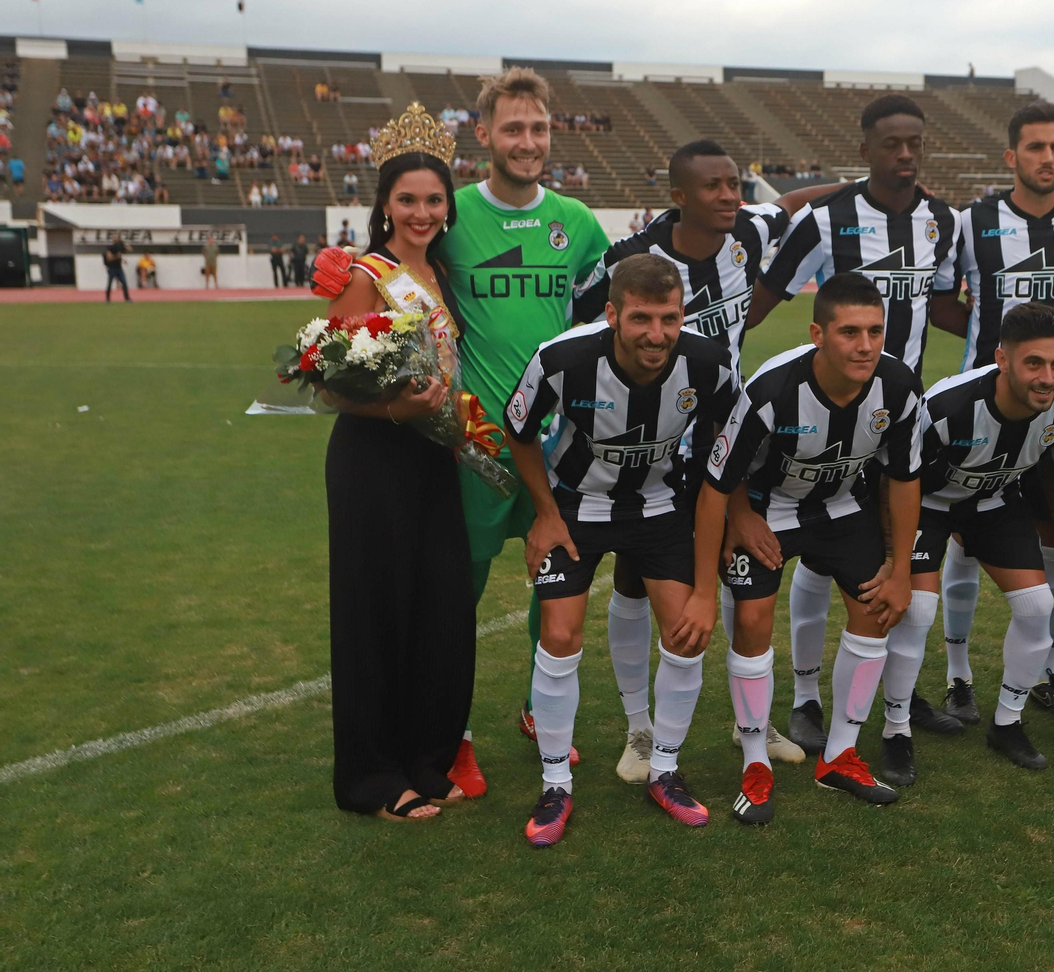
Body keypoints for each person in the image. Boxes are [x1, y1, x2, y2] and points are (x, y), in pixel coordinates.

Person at [313, 76, 611, 794]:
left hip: (556, 442)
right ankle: (456, 736)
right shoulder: (455, 217)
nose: (529, 142)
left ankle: (542, 715)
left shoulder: (580, 223)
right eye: (514, 129)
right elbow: (384, 281)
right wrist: (339, 272)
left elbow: (601, 323)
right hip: (470, 445)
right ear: (485, 135)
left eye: (539, 128)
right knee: (454, 595)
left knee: (557, 579)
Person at [571, 138, 804, 780]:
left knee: (739, 570)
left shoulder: (747, 234)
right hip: (650, 444)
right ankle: (639, 731)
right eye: (714, 187)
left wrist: (862, 183)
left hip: (728, 432)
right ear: (678, 196)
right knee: (633, 577)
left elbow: (788, 205)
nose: (730, 195)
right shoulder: (630, 259)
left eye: (734, 184)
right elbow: (577, 328)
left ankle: (749, 720)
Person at [747, 94, 966, 751]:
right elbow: (761, 302)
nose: (905, 156)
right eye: (891, 144)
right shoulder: (825, 220)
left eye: (914, 145)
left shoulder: (942, 221)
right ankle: (809, 698)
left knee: (879, 566)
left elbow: (949, 307)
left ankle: (896, 694)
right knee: (820, 560)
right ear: (866, 149)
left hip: (897, 418)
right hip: (825, 413)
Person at [504, 255, 740, 847]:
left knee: (686, 633)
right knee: (559, 635)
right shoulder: (562, 359)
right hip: (576, 508)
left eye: (669, 317)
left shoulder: (709, 362)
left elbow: (725, 447)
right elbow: (519, 430)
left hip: (660, 507)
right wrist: (545, 514)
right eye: (640, 318)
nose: (656, 334)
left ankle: (663, 769)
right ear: (612, 314)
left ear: (683, 313)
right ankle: (555, 784)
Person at [685, 273, 923, 820]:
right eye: (849, 332)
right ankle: (755, 761)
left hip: (842, 505)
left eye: (875, 331)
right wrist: (716, 563)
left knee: (875, 609)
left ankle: (839, 756)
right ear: (818, 334)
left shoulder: (900, 388)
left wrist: (901, 568)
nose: (865, 346)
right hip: (769, 510)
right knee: (752, 621)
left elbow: (906, 480)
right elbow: (717, 485)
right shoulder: (772, 390)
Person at [319, 113, 475, 821]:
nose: (422, 212)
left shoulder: (435, 271)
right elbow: (328, 386)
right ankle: (373, 778)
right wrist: (395, 414)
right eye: (408, 200)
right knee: (376, 615)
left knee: (437, 611)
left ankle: (423, 757)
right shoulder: (366, 277)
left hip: (432, 460)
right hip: (374, 461)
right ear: (385, 203)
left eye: (434, 200)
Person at [889, 303, 1054, 784]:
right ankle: (896, 729)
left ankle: (1007, 723)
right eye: (1033, 363)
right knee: (918, 610)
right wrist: (895, 557)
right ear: (1002, 360)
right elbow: (898, 478)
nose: (1048, 377)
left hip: (993, 499)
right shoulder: (948, 408)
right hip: (926, 503)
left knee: (1034, 607)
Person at [939, 99, 1054, 723]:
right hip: (982, 405)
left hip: (1052, 409)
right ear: (1012, 156)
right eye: (1036, 148)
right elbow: (942, 301)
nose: (1048, 158)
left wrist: (1046, 358)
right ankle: (958, 676)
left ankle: (1052, 673)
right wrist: (995, 352)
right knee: (962, 542)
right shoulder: (973, 219)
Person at [104, 237, 131, 302]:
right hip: (112, 268)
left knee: (124, 283)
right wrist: (116, 256)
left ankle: (127, 298)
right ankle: (108, 299)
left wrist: (124, 245)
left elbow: (130, 249)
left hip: (119, 268)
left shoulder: (120, 248)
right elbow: (109, 258)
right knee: (110, 283)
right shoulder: (111, 248)